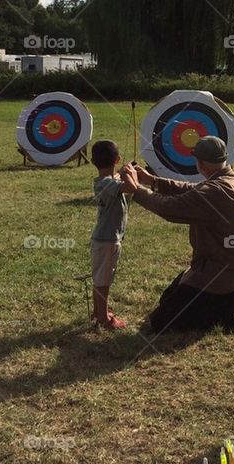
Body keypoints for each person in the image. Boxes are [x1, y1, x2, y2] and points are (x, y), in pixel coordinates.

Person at [119, 136, 234, 333]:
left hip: (221, 272)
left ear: (201, 163)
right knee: (168, 298)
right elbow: (190, 190)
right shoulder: (230, 179)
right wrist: (152, 181)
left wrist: (136, 190)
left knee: (162, 323)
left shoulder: (216, 191)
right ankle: (227, 298)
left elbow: (170, 208)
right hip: (222, 264)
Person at [89, 140, 129, 330]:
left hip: (104, 239)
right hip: (107, 240)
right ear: (117, 159)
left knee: (101, 278)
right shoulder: (108, 184)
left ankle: (98, 312)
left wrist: (122, 171)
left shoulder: (104, 182)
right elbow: (131, 187)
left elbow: (116, 180)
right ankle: (104, 319)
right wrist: (130, 174)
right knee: (103, 281)